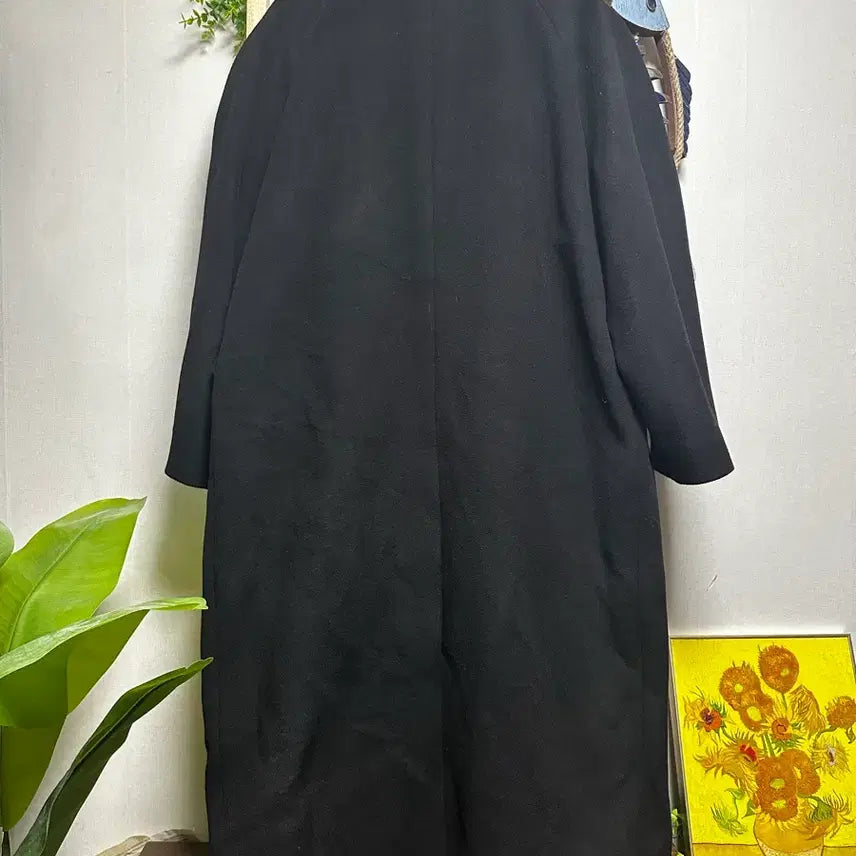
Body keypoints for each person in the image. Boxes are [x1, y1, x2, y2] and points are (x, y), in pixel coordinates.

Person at [167, 0, 733, 853]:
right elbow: (637, 234)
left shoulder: (289, 34)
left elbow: (228, 247)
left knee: (316, 744)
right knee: (550, 750)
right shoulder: (575, 29)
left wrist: (203, 435)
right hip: (541, 451)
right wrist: (683, 421)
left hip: (320, 459)